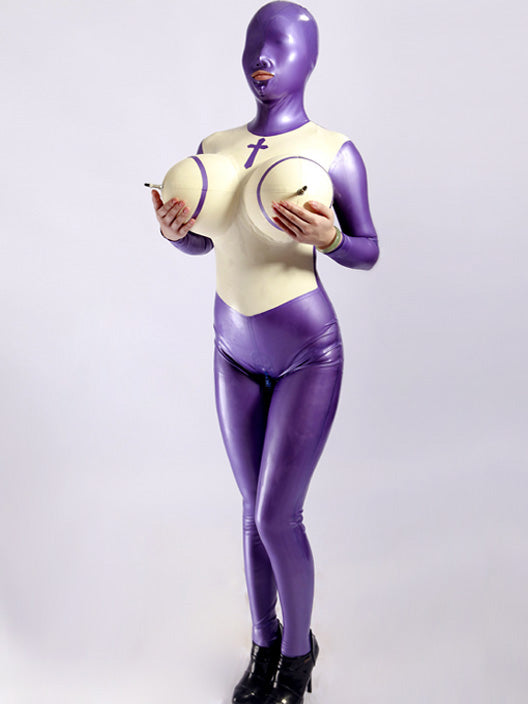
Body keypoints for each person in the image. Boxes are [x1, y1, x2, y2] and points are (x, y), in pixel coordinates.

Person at [150, 2, 379, 702]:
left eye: (281, 45)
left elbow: (368, 249)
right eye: (255, 44)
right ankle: (263, 643)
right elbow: (205, 242)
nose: (264, 58)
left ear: (310, 58)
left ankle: (299, 657)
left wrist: (330, 237)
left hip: (307, 351)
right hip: (232, 348)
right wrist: (176, 233)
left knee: (279, 514)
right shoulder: (215, 145)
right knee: (251, 510)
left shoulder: (334, 150)